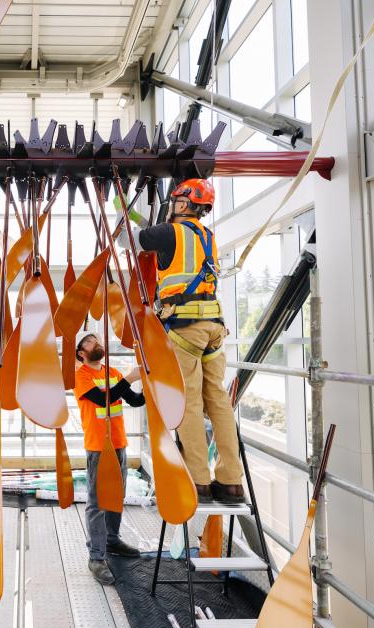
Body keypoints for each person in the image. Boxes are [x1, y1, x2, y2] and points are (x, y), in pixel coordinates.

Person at [119, 178, 245, 504]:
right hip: (215, 327)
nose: (172, 206)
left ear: (185, 203)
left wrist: (122, 208)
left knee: (189, 401)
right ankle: (231, 481)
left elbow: (126, 239)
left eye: (176, 201)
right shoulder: (207, 237)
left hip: (185, 327)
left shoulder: (169, 233)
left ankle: (199, 480)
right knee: (217, 401)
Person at [74, 331, 146, 585]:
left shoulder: (111, 371)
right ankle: (96, 556)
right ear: (81, 352)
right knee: (97, 500)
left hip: (118, 444)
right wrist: (130, 377)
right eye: (91, 342)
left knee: (117, 495)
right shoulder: (81, 376)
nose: (97, 343)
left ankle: (112, 540)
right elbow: (104, 398)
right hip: (98, 447)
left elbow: (134, 401)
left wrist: (151, 386)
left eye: (98, 340)